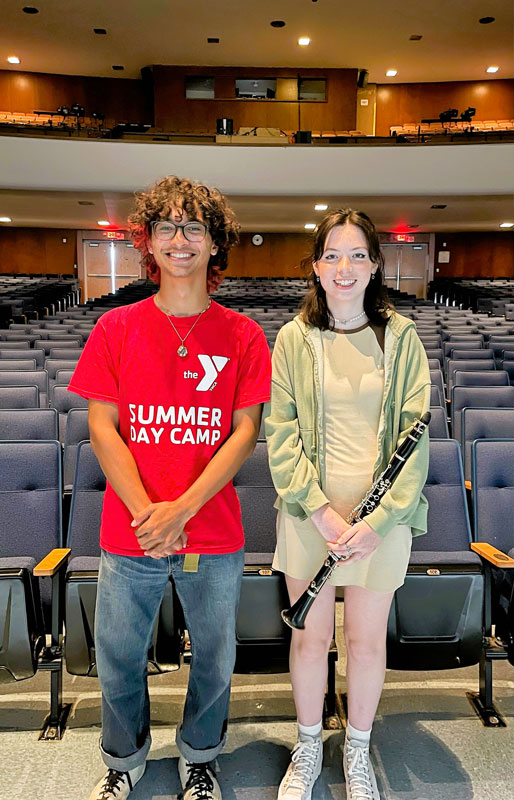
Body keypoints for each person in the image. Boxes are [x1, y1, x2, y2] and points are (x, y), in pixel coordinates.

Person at [68, 175, 271, 800]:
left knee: (213, 658)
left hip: (212, 531)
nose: (180, 239)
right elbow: (103, 428)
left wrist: (180, 509)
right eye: (167, 227)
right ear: (148, 244)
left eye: (195, 227)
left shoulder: (243, 336)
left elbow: (243, 435)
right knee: (119, 658)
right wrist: (147, 514)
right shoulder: (115, 329)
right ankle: (124, 760)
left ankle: (201, 756)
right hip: (130, 533)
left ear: (215, 244)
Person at [264, 209, 430, 800]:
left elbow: (416, 436)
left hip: (379, 527)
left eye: (358, 254)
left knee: (366, 641)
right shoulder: (292, 338)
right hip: (311, 518)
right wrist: (322, 513)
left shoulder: (401, 337)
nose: (345, 267)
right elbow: (279, 436)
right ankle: (308, 747)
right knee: (310, 639)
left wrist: (377, 521)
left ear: (376, 265)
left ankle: (357, 750)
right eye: (333, 254)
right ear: (316, 266)